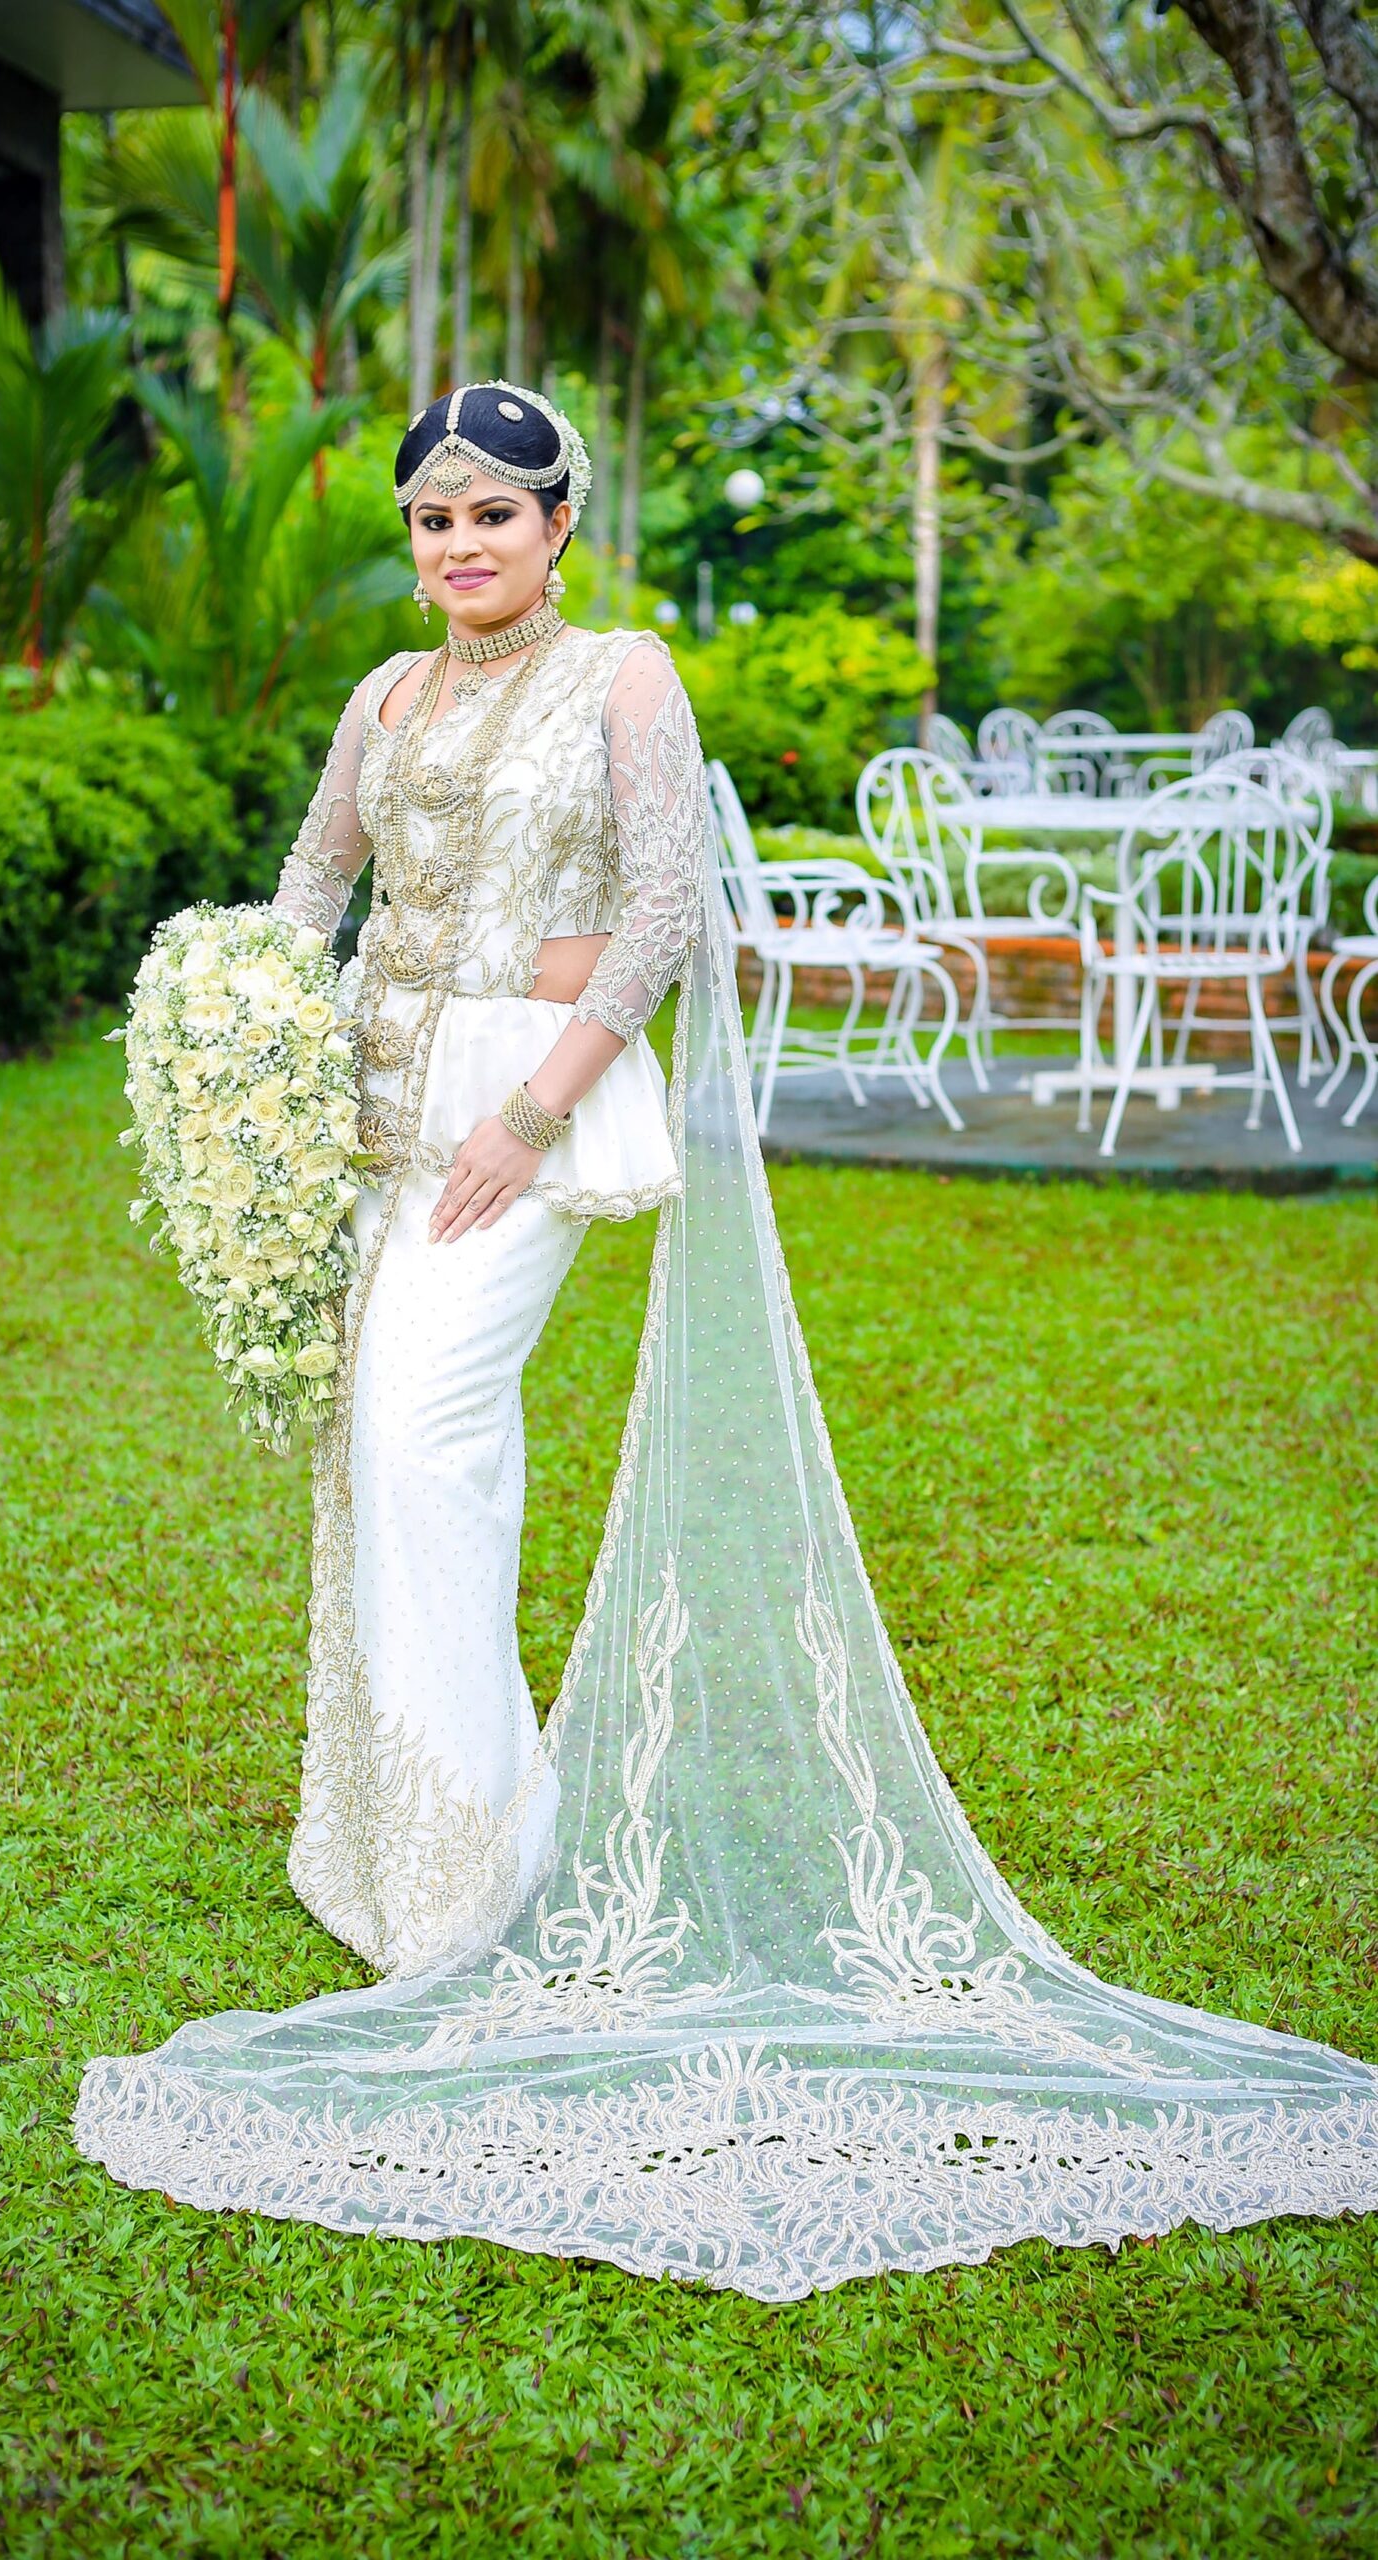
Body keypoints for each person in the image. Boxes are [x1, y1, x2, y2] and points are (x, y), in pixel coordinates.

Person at [75, 384, 1378, 2301]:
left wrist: (543, 1104)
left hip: (528, 1100)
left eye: (493, 520)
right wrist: (245, 1021)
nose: (460, 552)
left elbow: (670, 906)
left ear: (560, 524)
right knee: (399, 1440)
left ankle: (482, 1885)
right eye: (433, 523)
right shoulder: (384, 700)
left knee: (428, 1424)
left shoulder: (627, 678)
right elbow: (311, 882)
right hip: (362, 1099)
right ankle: (426, 1837)